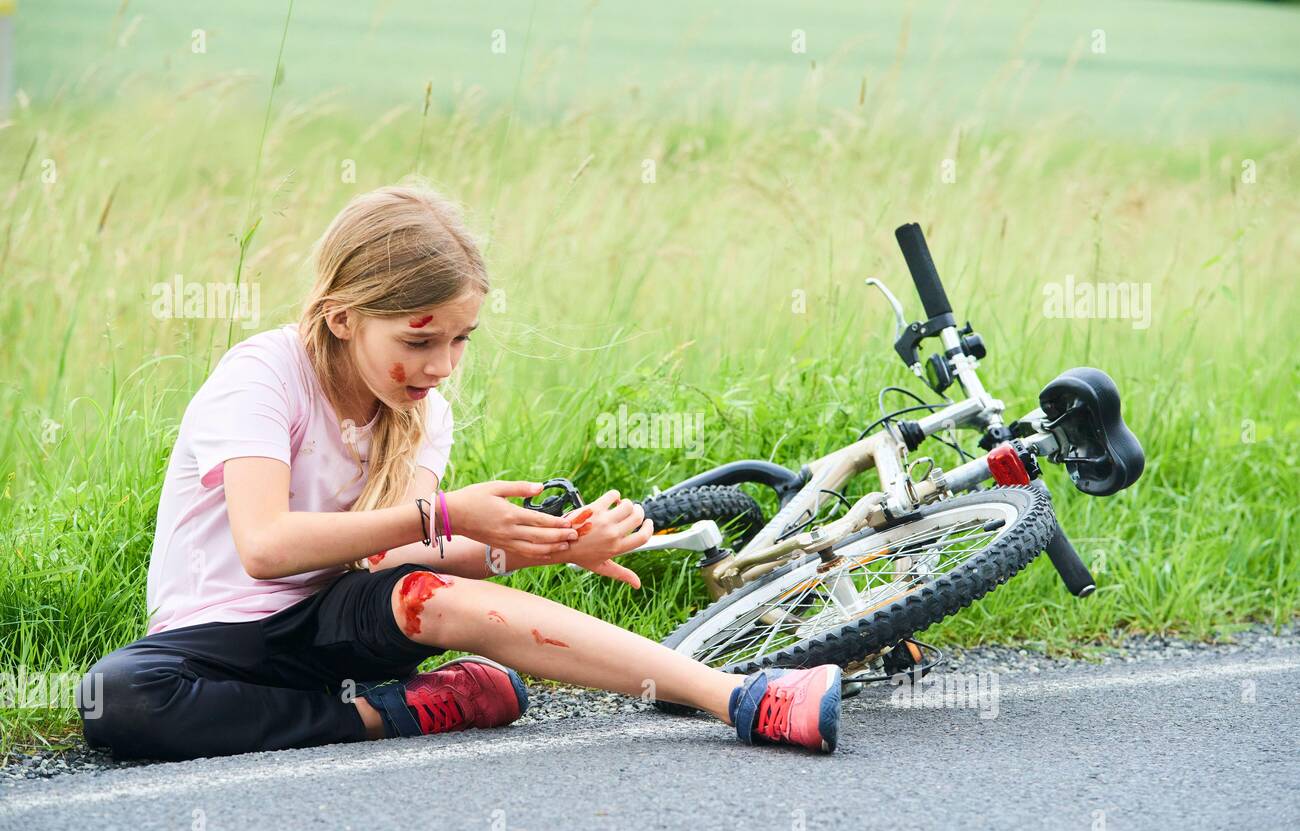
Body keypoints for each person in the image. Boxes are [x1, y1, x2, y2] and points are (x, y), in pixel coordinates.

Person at [76, 183, 842, 761]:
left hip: (335, 626)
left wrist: (550, 543)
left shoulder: (421, 409)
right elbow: (266, 547)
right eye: (418, 339)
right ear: (343, 317)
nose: (439, 366)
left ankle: (742, 696)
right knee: (113, 698)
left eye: (460, 339)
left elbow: (400, 560)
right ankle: (393, 712)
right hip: (214, 645)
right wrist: (442, 514)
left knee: (429, 593)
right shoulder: (262, 377)